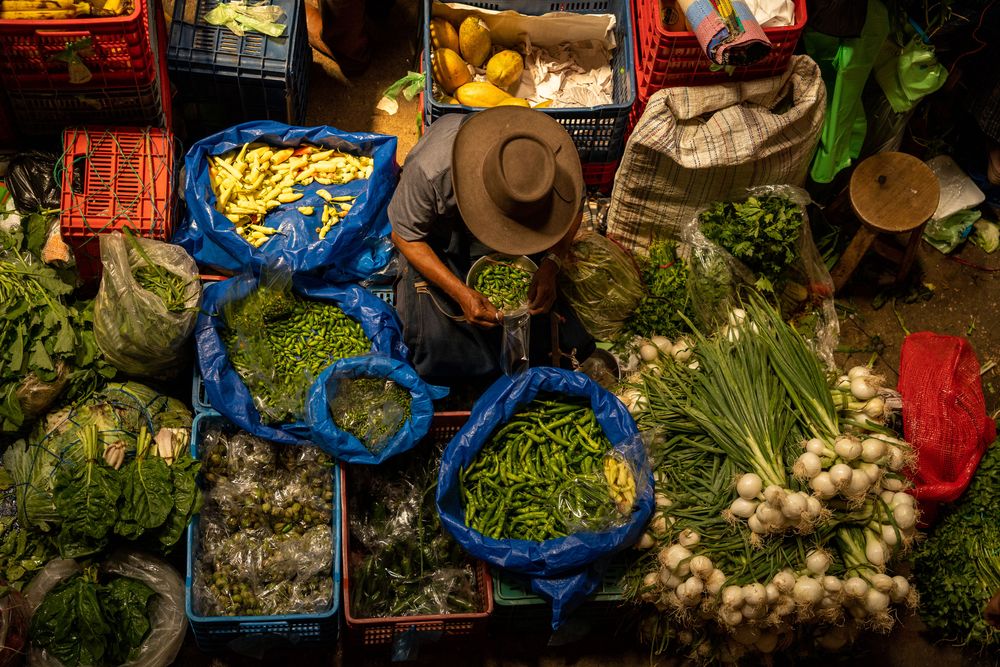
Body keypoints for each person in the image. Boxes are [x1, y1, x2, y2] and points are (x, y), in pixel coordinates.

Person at [388, 107, 596, 384]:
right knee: (438, 347)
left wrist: (551, 264)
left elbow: (574, 209)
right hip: (443, 240)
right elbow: (405, 236)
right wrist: (461, 293)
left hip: (527, 231)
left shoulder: (549, 163)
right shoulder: (433, 170)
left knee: (566, 339)